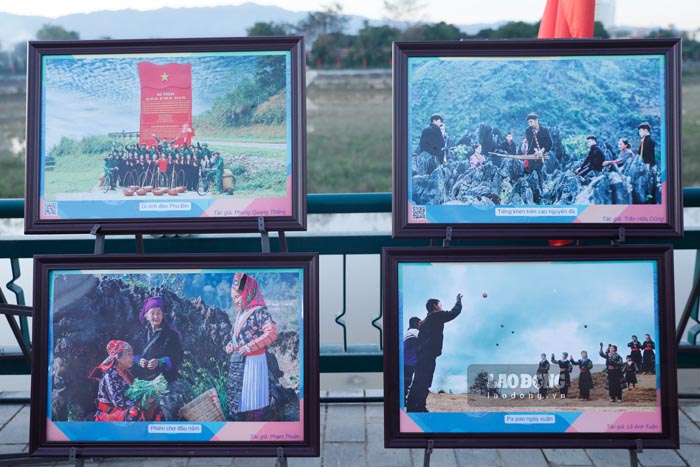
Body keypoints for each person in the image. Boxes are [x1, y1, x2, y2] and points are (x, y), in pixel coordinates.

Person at [225, 273, 279, 421]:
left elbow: (272, 333)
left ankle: (254, 425)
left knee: (253, 395)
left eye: (238, 297)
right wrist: (231, 345)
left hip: (254, 362)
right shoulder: (240, 314)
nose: (236, 301)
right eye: (233, 298)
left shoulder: (259, 312)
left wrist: (251, 347)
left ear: (248, 292)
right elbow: (237, 337)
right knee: (238, 396)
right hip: (238, 362)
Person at [405, 293, 463, 412]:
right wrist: (458, 301)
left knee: (418, 381)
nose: (441, 306)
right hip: (428, 356)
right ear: (435, 306)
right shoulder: (436, 315)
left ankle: (413, 406)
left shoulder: (425, 321)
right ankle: (419, 407)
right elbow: (453, 313)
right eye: (440, 304)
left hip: (422, 356)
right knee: (424, 382)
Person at [88, 340, 142, 421]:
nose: (133, 357)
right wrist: (141, 403)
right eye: (129, 354)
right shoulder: (110, 375)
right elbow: (120, 403)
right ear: (118, 358)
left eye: (132, 354)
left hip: (121, 412)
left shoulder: (127, 373)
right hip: (110, 415)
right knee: (134, 413)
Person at [403, 317, 421, 402]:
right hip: (409, 361)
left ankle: (403, 398)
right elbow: (425, 337)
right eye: (419, 323)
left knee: (406, 380)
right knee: (407, 381)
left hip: (407, 361)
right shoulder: (414, 331)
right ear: (415, 323)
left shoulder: (409, 332)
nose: (420, 325)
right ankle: (403, 399)